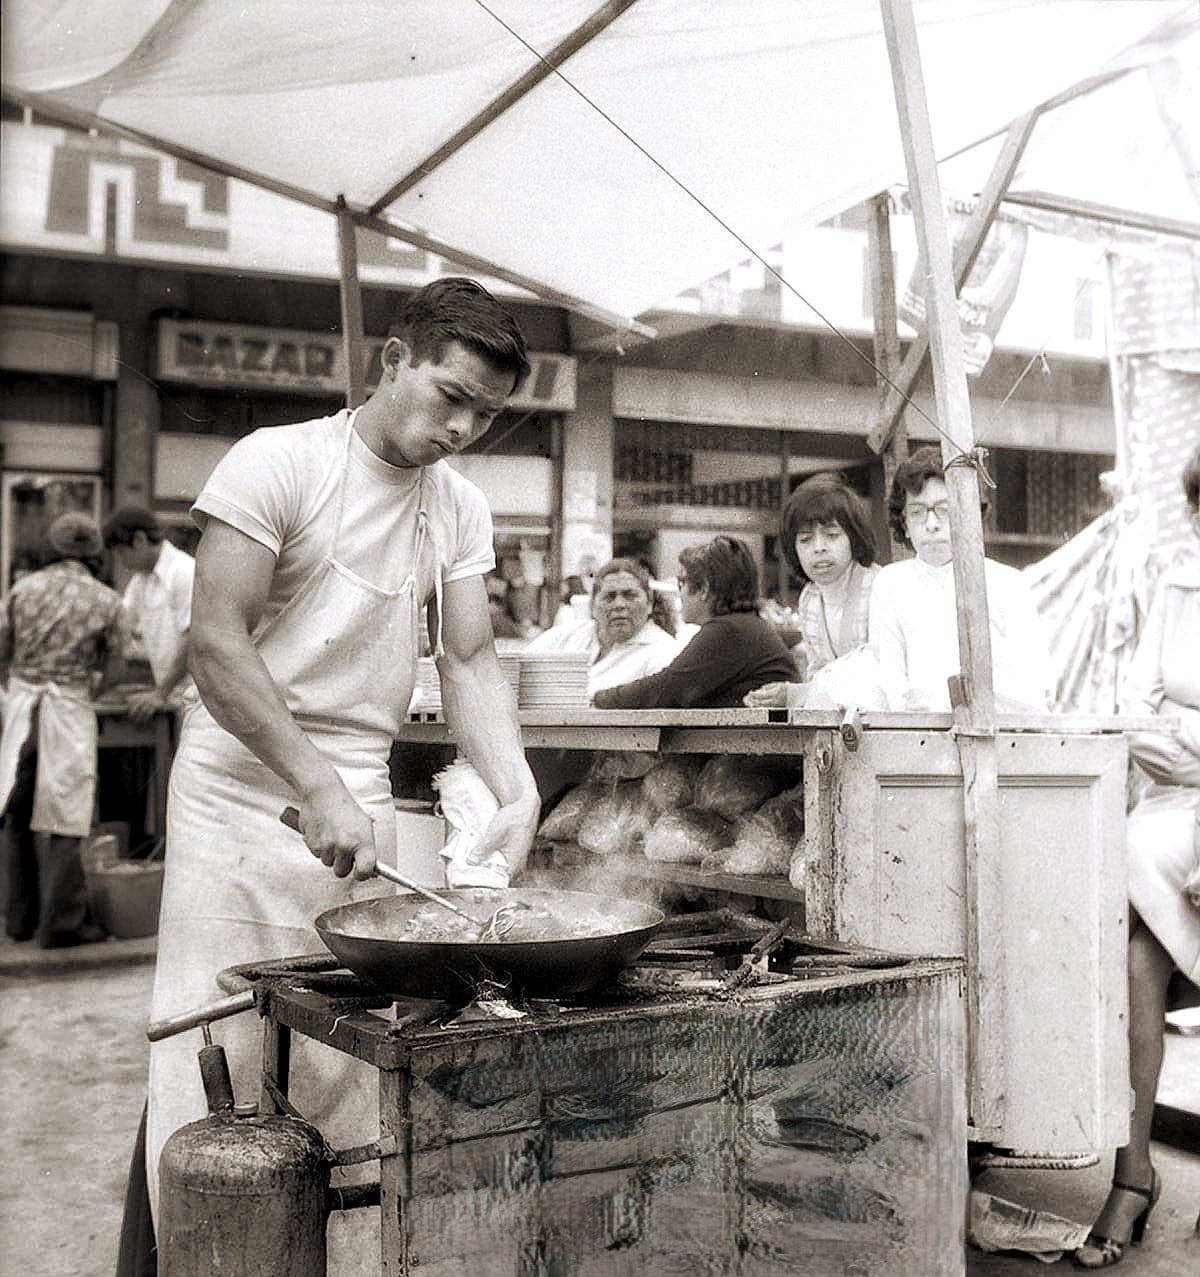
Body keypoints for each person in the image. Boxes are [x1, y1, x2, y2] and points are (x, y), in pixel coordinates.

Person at [134, 278, 541, 1271]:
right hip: (240, 790)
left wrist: (518, 784)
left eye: (486, 412)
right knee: (218, 1046)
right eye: (451, 395)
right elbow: (217, 642)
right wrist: (311, 782)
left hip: (350, 794)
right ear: (392, 360)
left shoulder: (458, 505)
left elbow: (472, 658)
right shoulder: (278, 463)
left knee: (339, 1060)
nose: (463, 426)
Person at [1074, 447, 1200, 1269]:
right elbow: (1143, 695)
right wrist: (1159, 741)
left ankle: (1136, 1176)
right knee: (1133, 960)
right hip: (1172, 798)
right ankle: (1134, 1165)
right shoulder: (1176, 582)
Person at [0, 512, 126, 946]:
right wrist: (88, 685)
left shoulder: (23, 588)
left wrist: (17, 687)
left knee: (15, 812)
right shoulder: (107, 600)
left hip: (21, 706)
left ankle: (18, 919)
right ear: (93, 553)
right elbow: (114, 667)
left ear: (53, 547)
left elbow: (2, 648)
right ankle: (62, 922)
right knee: (67, 817)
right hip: (68, 708)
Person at [868, 445, 1052, 711]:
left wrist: (943, 700)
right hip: (916, 735)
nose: (931, 524)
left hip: (999, 734)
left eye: (944, 509)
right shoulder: (890, 584)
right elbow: (889, 672)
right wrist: (907, 702)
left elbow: (1035, 682)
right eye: (918, 512)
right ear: (904, 523)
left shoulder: (1008, 584)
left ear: (969, 514)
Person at [593, 536, 797, 709]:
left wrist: (599, 698)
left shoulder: (729, 630)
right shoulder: (740, 625)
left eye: (682, 582)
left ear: (704, 588)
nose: (679, 592)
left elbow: (665, 690)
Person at [745, 472, 879, 707]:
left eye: (832, 536)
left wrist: (794, 695)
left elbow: (877, 674)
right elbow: (817, 675)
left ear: (854, 538)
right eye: (805, 540)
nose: (819, 548)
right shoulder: (810, 598)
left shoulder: (880, 586)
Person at [522, 557, 681, 698]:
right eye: (609, 596)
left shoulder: (664, 652)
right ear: (592, 606)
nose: (619, 605)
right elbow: (520, 669)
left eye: (630, 595)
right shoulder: (567, 636)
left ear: (649, 604)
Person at [102, 505, 195, 723]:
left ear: (139, 540)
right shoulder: (140, 581)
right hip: (173, 694)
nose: (120, 560)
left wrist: (159, 693)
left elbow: (193, 639)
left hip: (199, 699)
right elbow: (122, 622)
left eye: (120, 552)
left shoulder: (184, 572)